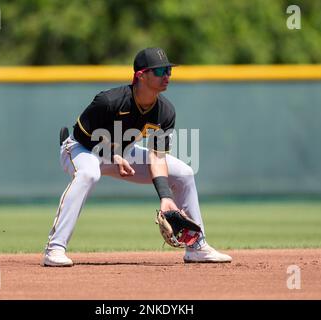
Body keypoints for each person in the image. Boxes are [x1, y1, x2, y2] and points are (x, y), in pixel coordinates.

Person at [42, 47, 232, 267]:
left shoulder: (165, 112)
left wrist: (165, 196)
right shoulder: (109, 101)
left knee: (183, 172)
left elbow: (158, 158)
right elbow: (82, 136)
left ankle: (196, 247)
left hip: (122, 155)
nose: (167, 76)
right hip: (80, 149)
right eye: (160, 71)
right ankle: (54, 249)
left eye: (168, 70)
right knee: (89, 174)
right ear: (141, 75)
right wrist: (112, 155)